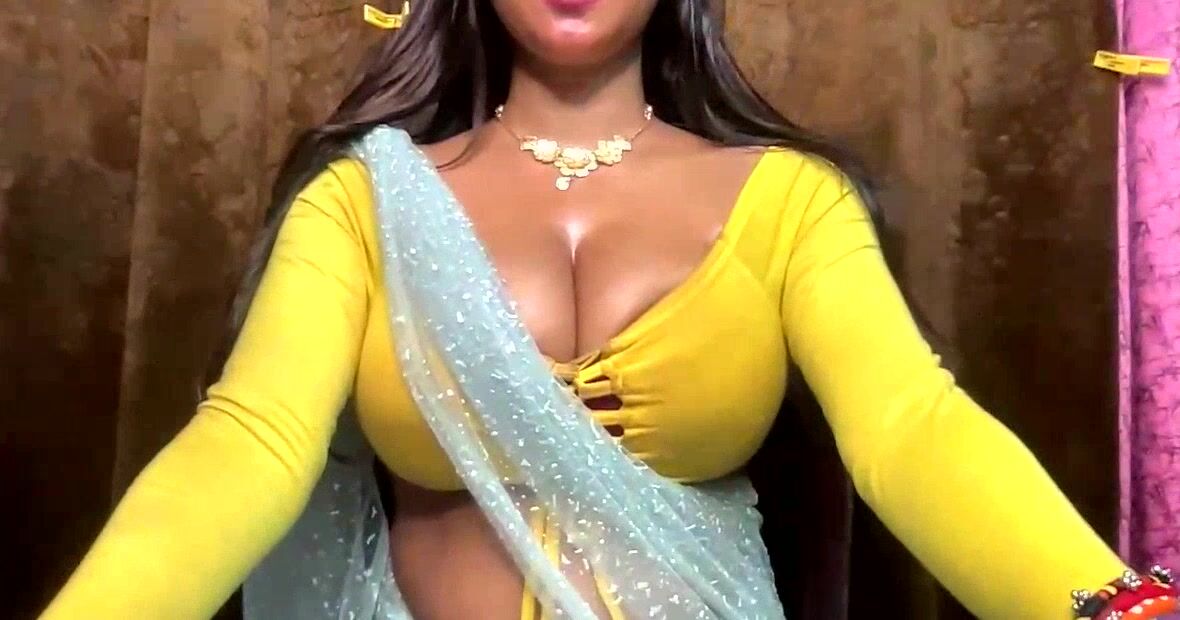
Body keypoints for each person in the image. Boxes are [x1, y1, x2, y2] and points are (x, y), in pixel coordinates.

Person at [38, 1, 1176, 619]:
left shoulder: (791, 199)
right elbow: (251, 438)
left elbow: (912, 426)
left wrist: (1107, 605)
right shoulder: (363, 200)